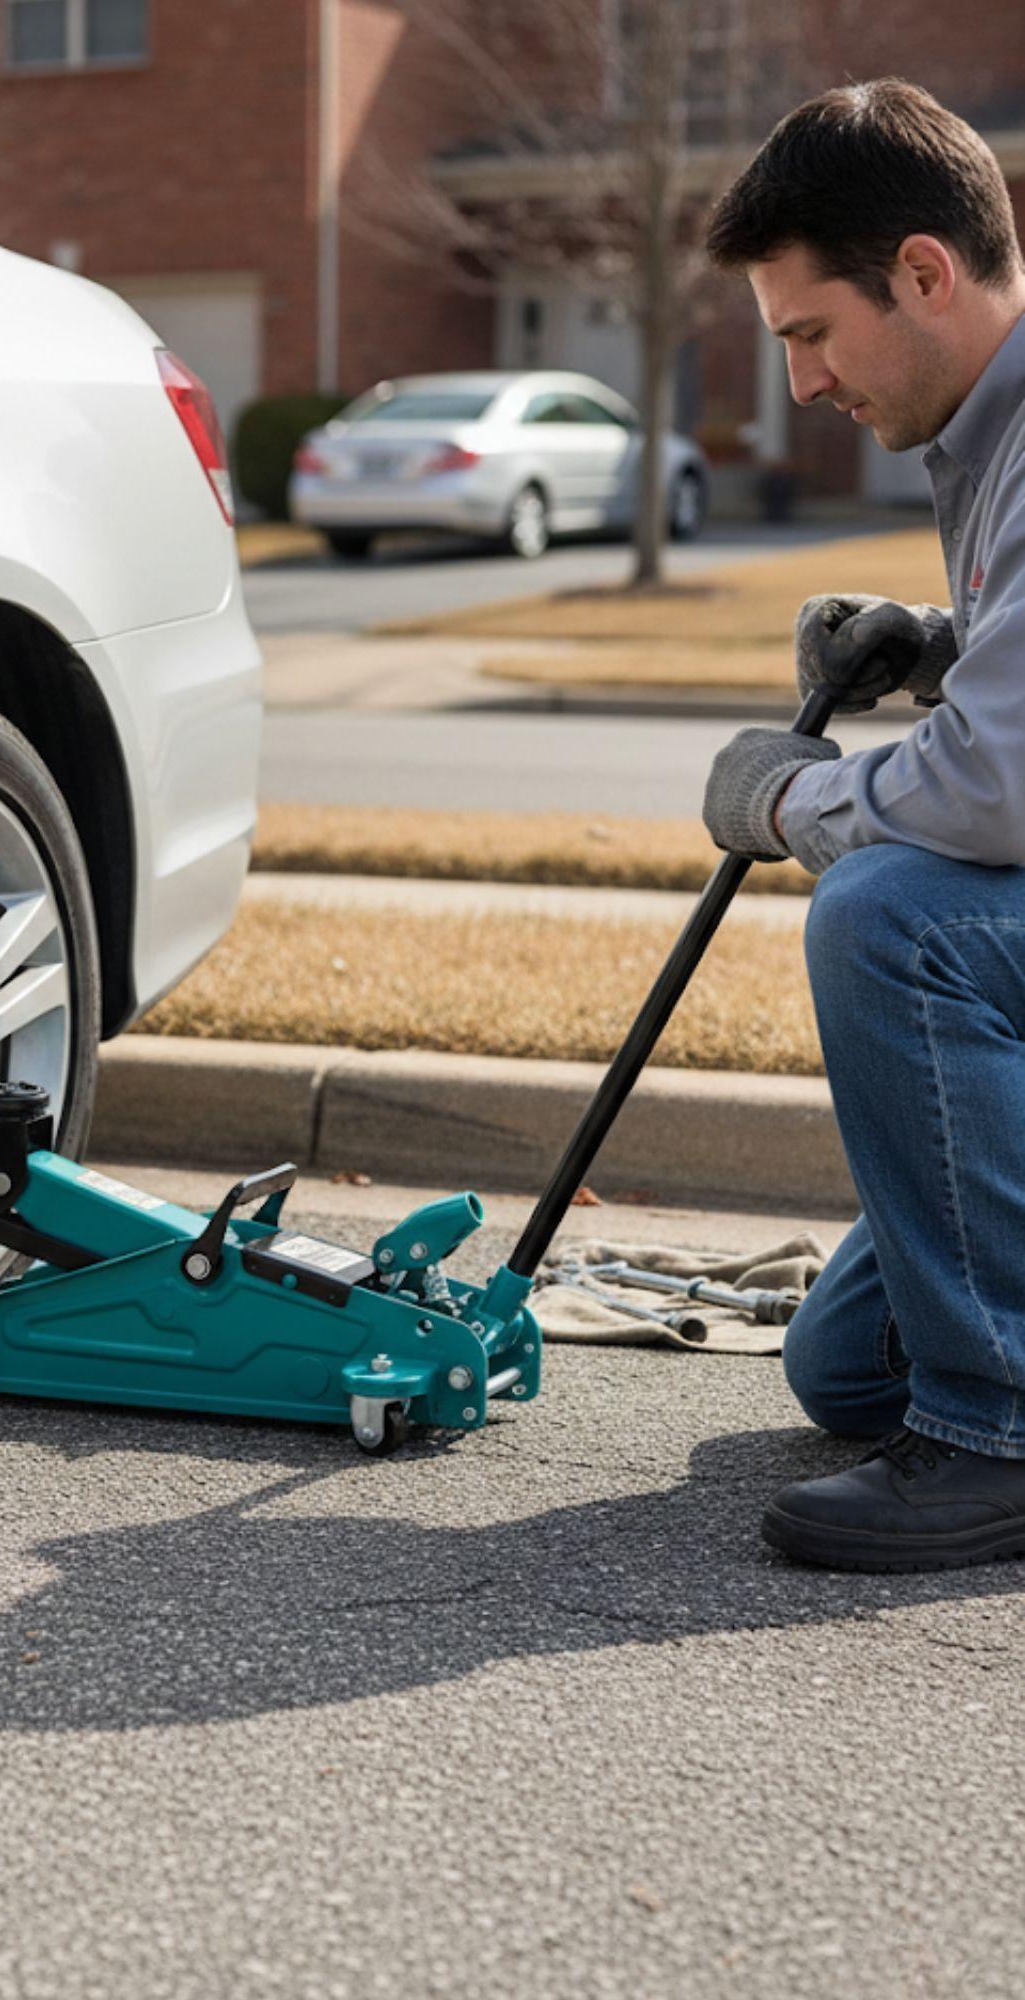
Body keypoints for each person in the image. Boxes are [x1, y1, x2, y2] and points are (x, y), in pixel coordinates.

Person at [702, 80, 1025, 1571]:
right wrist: (947, 643)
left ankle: (1000, 1438)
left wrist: (788, 801)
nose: (806, 385)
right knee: (842, 1371)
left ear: (922, 273)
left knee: (889, 917)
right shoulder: (990, 434)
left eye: (811, 336)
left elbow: (1002, 789)